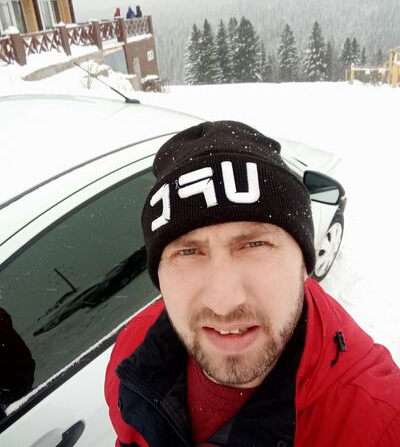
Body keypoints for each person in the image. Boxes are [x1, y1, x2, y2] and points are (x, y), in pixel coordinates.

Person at [105, 120, 400, 447]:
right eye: (188, 251)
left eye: (255, 244)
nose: (224, 301)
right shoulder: (132, 354)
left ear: (304, 265)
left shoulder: (380, 425)